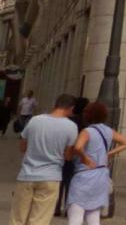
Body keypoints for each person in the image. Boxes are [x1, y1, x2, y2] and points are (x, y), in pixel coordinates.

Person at [9, 94, 79, 225]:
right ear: (71, 108)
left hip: (27, 174)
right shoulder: (71, 127)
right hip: (51, 176)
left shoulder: (35, 120)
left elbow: (22, 147)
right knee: (39, 219)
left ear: (55, 104)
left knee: (17, 218)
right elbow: (68, 156)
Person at [66, 102, 126, 225]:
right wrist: (109, 154)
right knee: (94, 214)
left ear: (87, 115)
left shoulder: (86, 131)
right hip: (101, 175)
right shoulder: (108, 131)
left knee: (76, 213)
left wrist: (85, 158)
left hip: (84, 175)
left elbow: (78, 147)